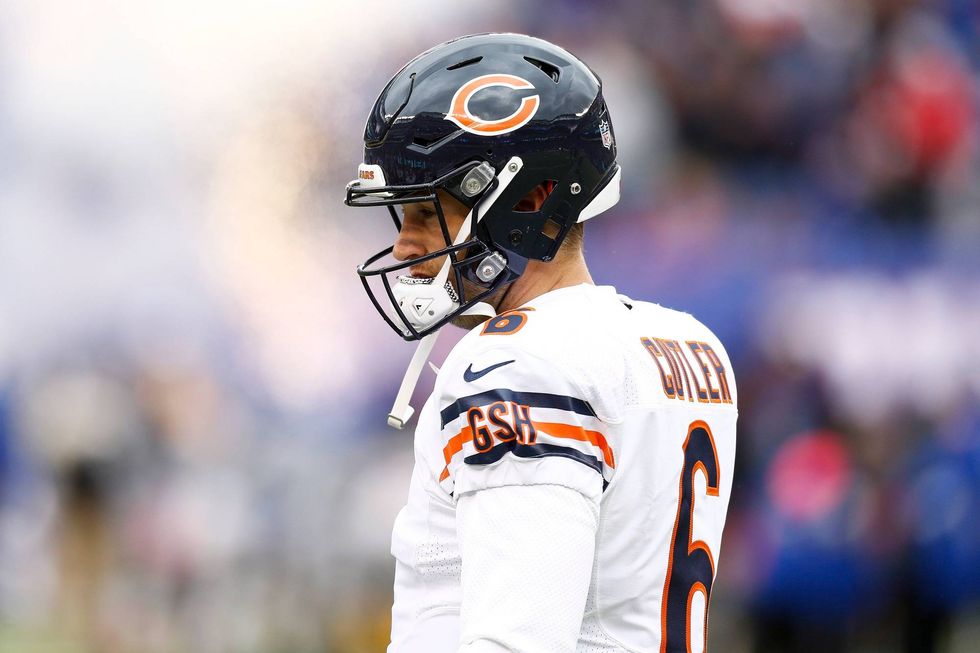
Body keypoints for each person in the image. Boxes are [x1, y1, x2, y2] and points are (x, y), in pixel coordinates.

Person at [346, 33, 738, 653]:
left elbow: (519, 640)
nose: (404, 246)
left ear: (529, 198)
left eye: (427, 212)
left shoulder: (517, 359)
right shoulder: (685, 344)